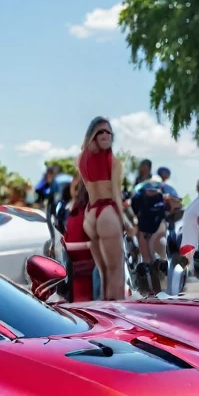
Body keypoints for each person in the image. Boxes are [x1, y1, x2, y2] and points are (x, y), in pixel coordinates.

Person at [75, 117, 129, 301]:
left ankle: (106, 313)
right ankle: (119, 315)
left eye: (108, 132)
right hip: (107, 212)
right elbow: (116, 194)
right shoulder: (114, 163)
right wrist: (126, 223)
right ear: (94, 136)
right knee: (116, 271)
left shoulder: (81, 159)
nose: (106, 135)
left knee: (104, 272)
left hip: (90, 215)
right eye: (101, 132)